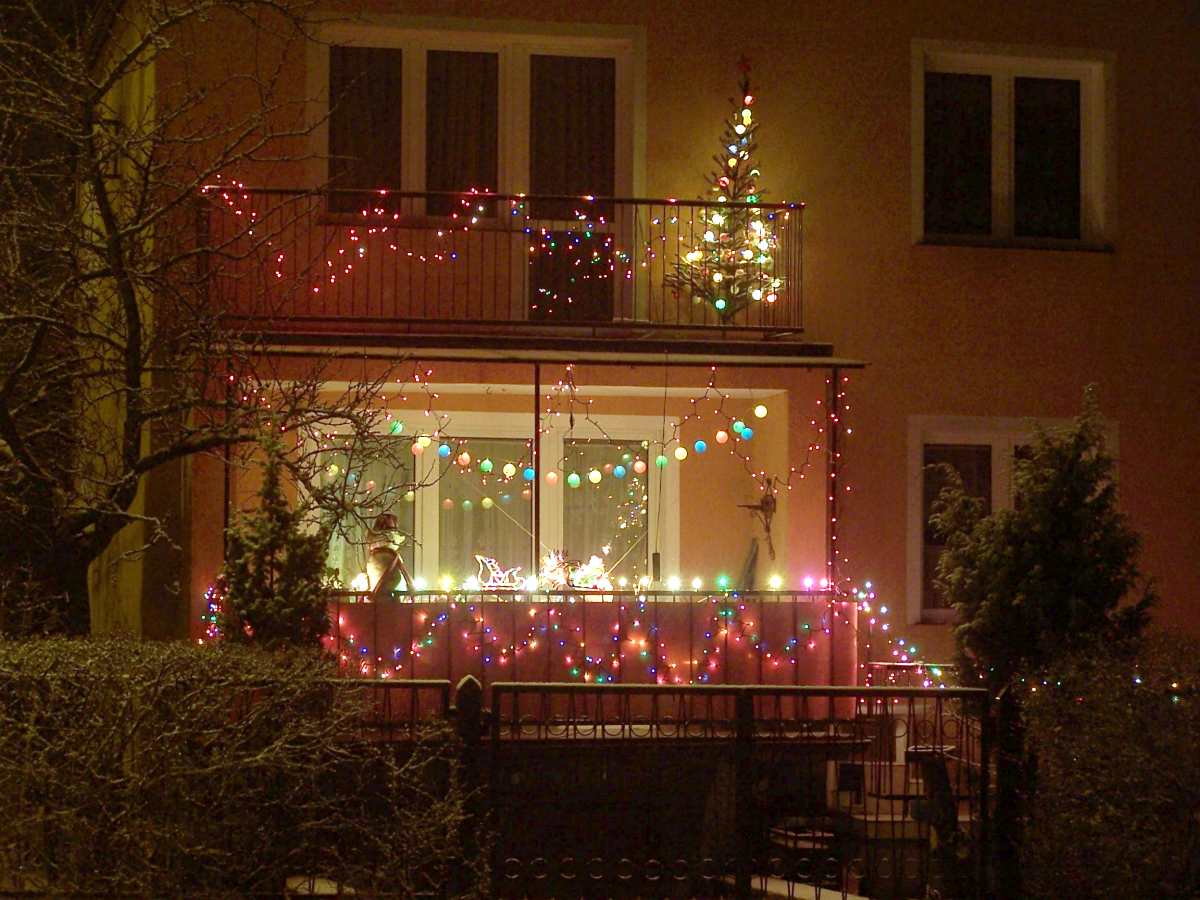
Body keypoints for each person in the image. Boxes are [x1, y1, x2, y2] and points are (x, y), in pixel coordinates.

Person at [365, 512, 411, 599]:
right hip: (389, 598)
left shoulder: (377, 555)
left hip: (382, 596)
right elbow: (394, 578)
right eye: (391, 529)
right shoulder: (389, 554)